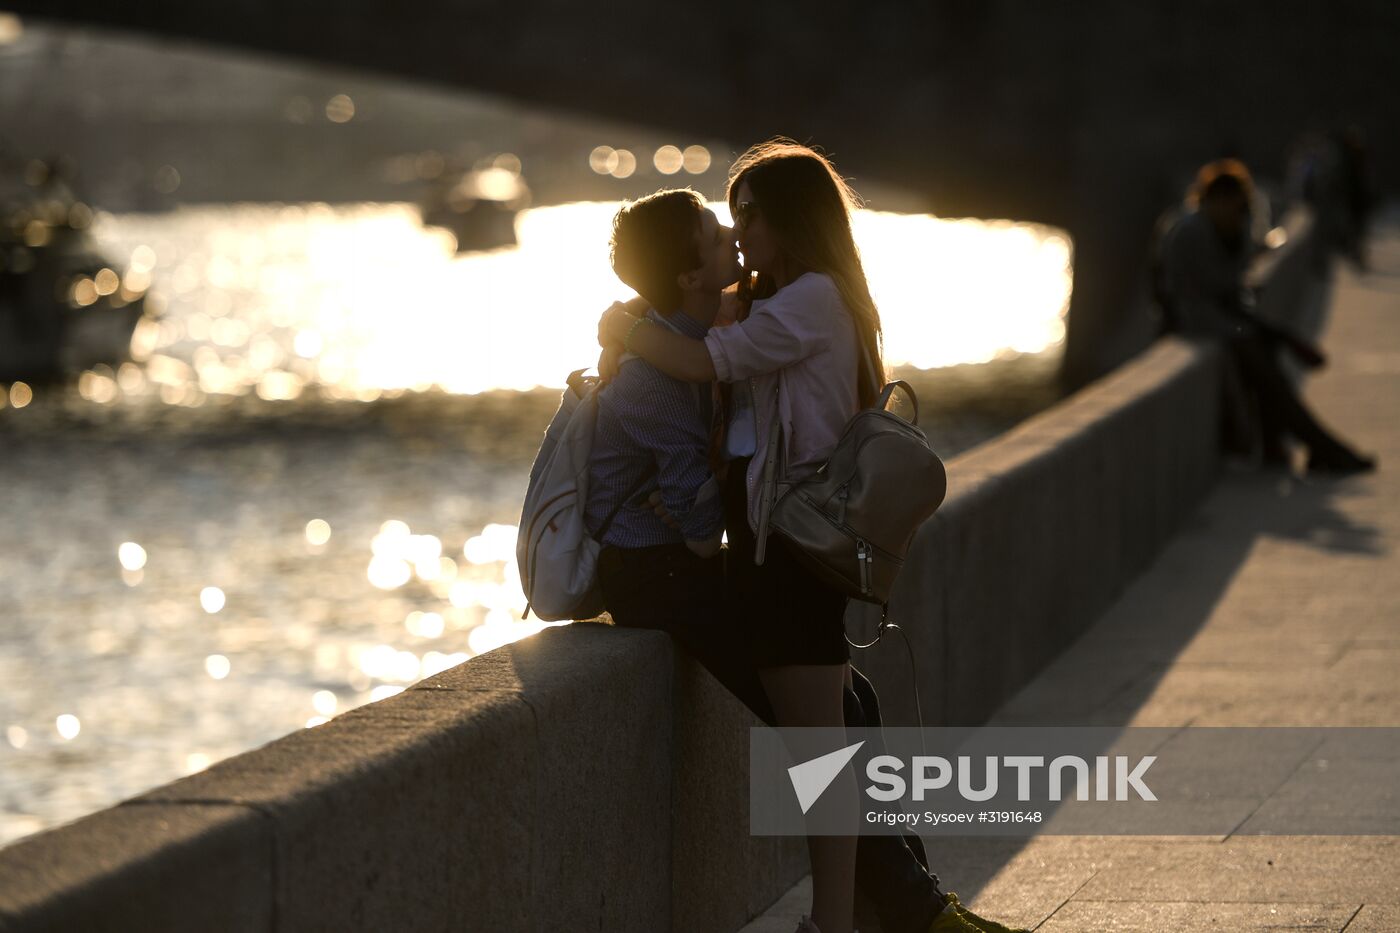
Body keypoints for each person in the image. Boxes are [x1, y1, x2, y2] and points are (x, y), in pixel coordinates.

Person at [596, 143, 1019, 933]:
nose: (737, 230)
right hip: (771, 555)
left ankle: (838, 923)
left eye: (749, 214)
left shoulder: (812, 300)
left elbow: (701, 357)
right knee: (839, 730)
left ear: (791, 218)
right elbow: (699, 318)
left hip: (791, 559)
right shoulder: (782, 298)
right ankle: (892, 910)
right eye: (731, 216)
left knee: (823, 759)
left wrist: (621, 326)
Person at [1158, 159, 1375, 475]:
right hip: (1195, 321)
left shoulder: (1223, 230)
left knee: (1267, 360)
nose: (1237, 213)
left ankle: (1288, 445)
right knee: (1264, 364)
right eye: (1233, 205)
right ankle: (1315, 445)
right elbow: (1200, 293)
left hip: (1221, 317)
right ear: (1215, 200)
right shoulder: (1191, 232)